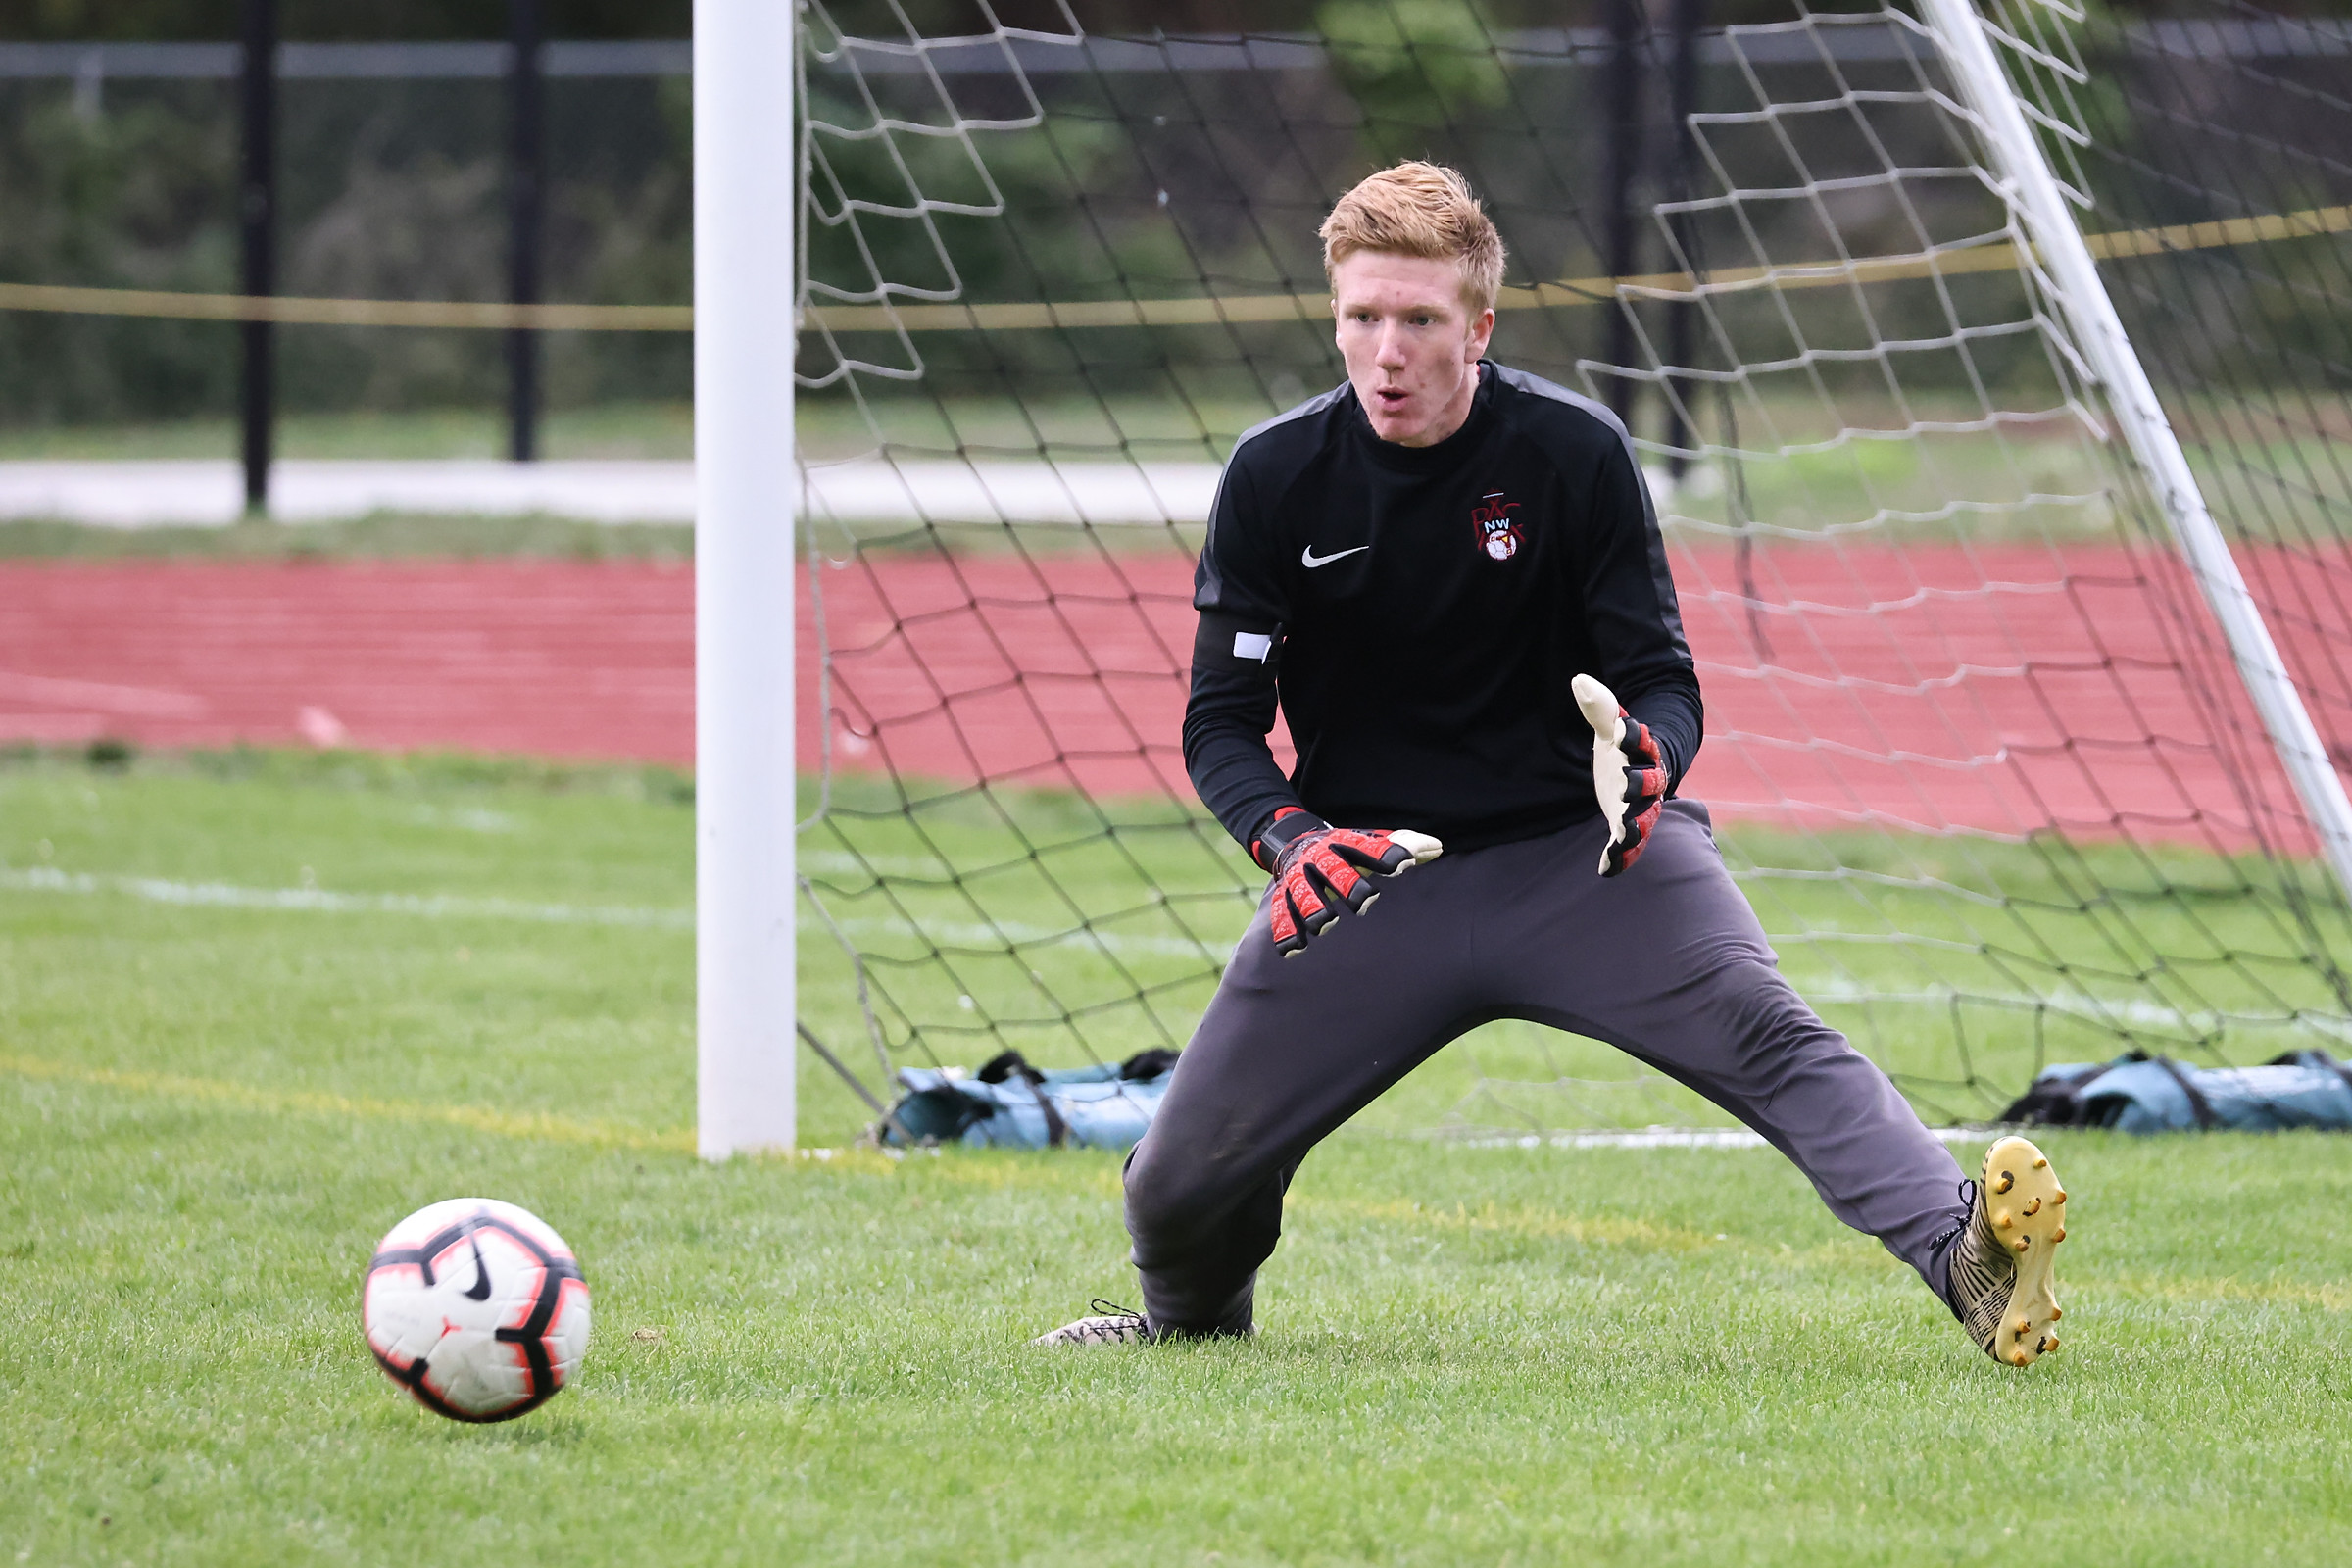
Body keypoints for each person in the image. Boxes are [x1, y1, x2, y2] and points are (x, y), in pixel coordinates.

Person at [1033, 162, 2071, 1367]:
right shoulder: (1275, 475)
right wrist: (1292, 840)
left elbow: (1664, 681)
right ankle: (1190, 1324)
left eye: (1420, 320)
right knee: (1175, 1183)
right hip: (1372, 877)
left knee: (1769, 1031)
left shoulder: (1572, 451)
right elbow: (1219, 723)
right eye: (1362, 317)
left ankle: (1969, 1259)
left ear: (1479, 327)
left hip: (1589, 862)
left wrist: (1651, 761)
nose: (1387, 352)